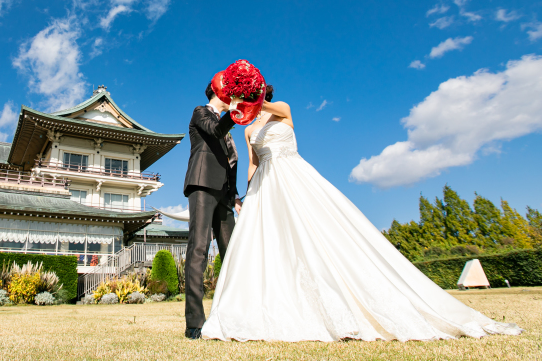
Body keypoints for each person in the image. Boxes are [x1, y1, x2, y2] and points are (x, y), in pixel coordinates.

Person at [201, 85, 522, 342]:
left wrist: (251, 99)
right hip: (265, 185)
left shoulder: (281, 109)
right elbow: (253, 163)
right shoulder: (248, 130)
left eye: (253, 96)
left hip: (295, 176)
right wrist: (247, 196)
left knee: (321, 233)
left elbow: (272, 109)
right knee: (271, 245)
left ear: (262, 95)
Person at [182, 82, 242, 340]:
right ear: (218, 93)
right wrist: (235, 112)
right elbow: (216, 130)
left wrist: (235, 195)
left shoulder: (225, 123)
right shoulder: (200, 112)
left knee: (234, 252)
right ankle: (194, 323)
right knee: (199, 248)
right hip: (203, 184)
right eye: (229, 94)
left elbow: (231, 160)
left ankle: (235, 315)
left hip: (225, 193)